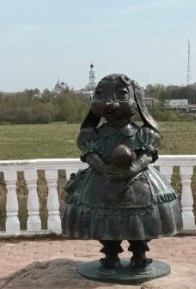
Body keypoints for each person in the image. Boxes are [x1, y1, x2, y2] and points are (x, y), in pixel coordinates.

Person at [62, 74, 182, 270]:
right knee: (104, 219)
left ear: (136, 100)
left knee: (141, 218)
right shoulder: (91, 136)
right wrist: (105, 170)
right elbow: (91, 157)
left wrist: (132, 169)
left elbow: (147, 156)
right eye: (101, 95)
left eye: (121, 95)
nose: (109, 103)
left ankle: (139, 253)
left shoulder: (144, 134)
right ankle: (110, 253)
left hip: (137, 182)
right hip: (101, 183)